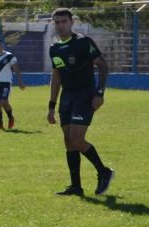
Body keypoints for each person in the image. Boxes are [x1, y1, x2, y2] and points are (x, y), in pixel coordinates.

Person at [47, 8, 114, 196]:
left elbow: (103, 65)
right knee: (68, 140)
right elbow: (56, 78)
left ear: (72, 22)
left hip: (85, 95)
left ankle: (104, 171)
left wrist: (99, 93)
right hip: (67, 97)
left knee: (76, 139)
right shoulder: (54, 48)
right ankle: (76, 187)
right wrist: (51, 106)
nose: (60, 25)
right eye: (57, 22)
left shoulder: (83, 42)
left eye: (64, 21)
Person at [0, 37, 25, 130]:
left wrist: (20, 81)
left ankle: (10, 117)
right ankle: (1, 126)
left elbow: (16, 69)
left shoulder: (9, 56)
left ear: (1, 45)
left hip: (6, 82)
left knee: (3, 101)